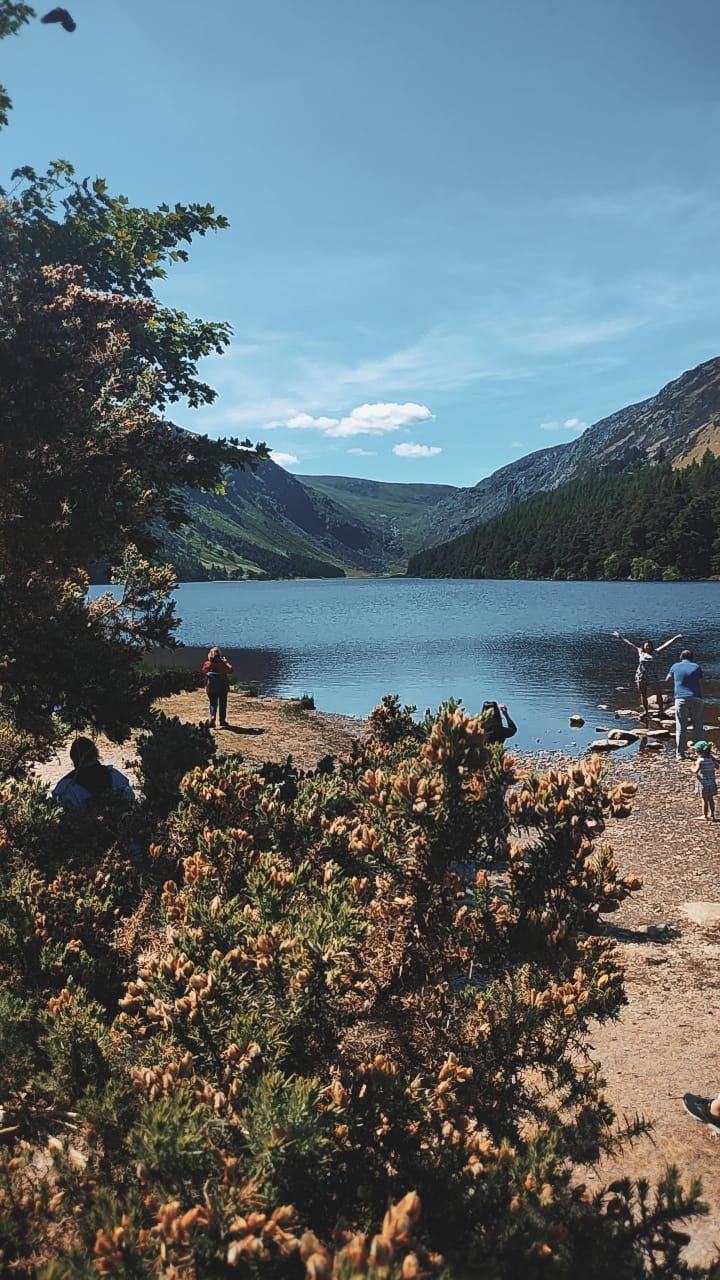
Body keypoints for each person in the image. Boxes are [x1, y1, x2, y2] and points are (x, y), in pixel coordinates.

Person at [52, 737, 135, 812]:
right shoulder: (115, 776)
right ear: (96, 754)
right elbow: (130, 802)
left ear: (73, 758)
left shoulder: (66, 787)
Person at [612, 630, 682, 717]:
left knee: (658, 693)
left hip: (652, 675)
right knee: (643, 694)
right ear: (643, 647)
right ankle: (646, 711)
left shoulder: (655, 652)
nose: (648, 647)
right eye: (646, 646)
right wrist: (620, 637)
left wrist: (675, 638)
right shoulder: (640, 651)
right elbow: (629, 644)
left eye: (649, 646)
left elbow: (666, 645)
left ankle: (661, 711)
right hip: (641, 675)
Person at [665, 648, 704, 761]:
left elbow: (667, 679)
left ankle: (680, 754)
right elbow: (701, 682)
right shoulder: (697, 667)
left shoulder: (675, 666)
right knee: (698, 726)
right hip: (696, 698)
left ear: (680, 657)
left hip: (681, 698)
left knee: (681, 727)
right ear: (692, 658)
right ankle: (702, 753)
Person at [202, 646, 233, 728]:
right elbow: (231, 670)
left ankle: (213, 717)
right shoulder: (223, 664)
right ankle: (222, 720)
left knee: (213, 703)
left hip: (211, 687)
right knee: (223, 704)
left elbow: (203, 671)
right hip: (222, 686)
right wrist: (226, 662)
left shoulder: (207, 664)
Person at [691, 741, 717, 820]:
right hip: (712, 783)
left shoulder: (700, 760)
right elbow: (717, 766)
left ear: (699, 752)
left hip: (703, 784)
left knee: (704, 800)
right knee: (711, 799)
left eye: (695, 751)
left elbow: (695, 771)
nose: (695, 752)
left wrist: (692, 767)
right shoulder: (711, 760)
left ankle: (705, 816)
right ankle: (712, 815)